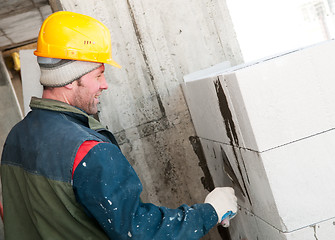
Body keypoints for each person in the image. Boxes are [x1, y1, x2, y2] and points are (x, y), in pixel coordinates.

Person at [1, 11, 237, 240]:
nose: (104, 85)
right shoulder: (88, 150)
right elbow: (139, 232)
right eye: (98, 75)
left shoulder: (16, 137)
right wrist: (210, 212)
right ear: (70, 80)